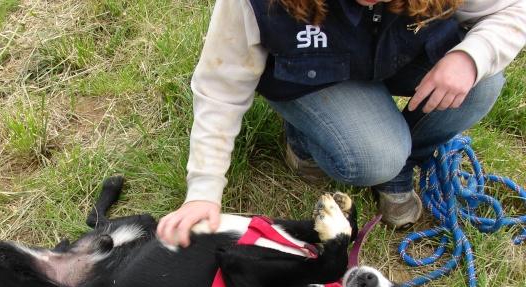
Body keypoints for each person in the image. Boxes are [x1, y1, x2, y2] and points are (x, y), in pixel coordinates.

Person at [156, 0, 526, 246]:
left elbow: (514, 9)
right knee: (372, 156)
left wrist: (470, 57)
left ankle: (400, 169)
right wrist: (203, 191)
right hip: (312, 74)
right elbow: (220, 88)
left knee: (483, 82)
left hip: (399, 53)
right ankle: (304, 141)